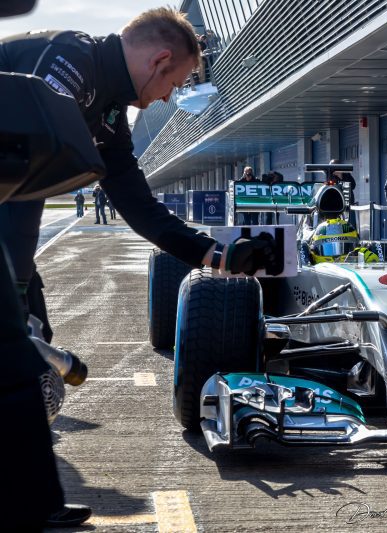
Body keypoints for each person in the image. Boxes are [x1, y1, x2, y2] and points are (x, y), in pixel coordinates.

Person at [0, 8, 281, 529]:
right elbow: (20, 166)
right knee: (16, 349)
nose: (169, 97)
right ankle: (30, 503)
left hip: (8, 221)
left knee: (28, 350)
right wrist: (14, 286)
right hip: (6, 217)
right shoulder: (69, 63)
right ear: (160, 59)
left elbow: (136, 203)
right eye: (175, 83)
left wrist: (216, 255)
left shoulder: (108, 113)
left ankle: (31, 502)